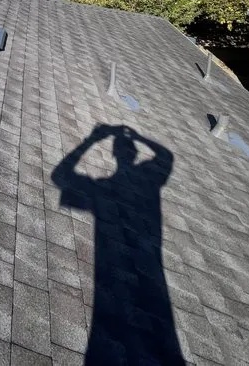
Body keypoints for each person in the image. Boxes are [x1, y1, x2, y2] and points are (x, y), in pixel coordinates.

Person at [51, 123, 181, 365]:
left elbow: (59, 176)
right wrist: (139, 136)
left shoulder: (102, 190)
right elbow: (166, 156)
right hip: (150, 274)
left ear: (114, 156)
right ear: (134, 155)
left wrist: (91, 140)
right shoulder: (149, 182)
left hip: (110, 273)